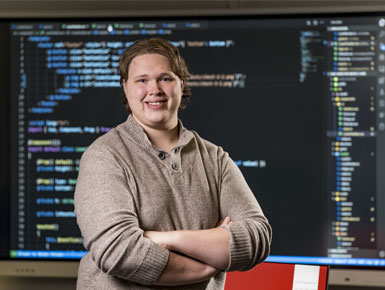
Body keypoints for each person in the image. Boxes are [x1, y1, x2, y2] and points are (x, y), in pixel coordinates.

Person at [74, 38, 272, 290]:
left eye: (165, 78)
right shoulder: (104, 156)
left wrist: (168, 239)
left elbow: (257, 238)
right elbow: (118, 251)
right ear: (125, 87)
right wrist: (208, 265)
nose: (154, 89)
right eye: (141, 80)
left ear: (182, 84)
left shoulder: (215, 159)